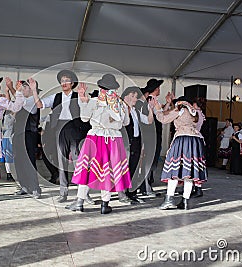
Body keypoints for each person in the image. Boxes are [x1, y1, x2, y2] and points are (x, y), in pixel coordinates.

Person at [65, 74, 131, 214]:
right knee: (108, 172)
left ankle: (79, 202)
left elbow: (84, 118)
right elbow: (126, 123)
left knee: (87, 170)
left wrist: (83, 101)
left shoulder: (94, 101)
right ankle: (104, 204)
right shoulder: (120, 104)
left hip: (95, 138)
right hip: (113, 139)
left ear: (101, 87)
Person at [35, 69, 91, 203]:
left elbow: (86, 109)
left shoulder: (78, 96)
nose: (64, 83)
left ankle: (83, 194)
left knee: (79, 162)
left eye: (67, 80)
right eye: (62, 81)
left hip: (75, 130)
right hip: (59, 130)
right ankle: (63, 192)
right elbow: (39, 105)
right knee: (61, 162)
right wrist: (33, 90)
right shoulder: (56, 97)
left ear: (72, 83)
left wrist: (83, 97)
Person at [154, 96, 207, 210]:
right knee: (189, 173)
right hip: (195, 141)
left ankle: (169, 200)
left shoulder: (181, 108)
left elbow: (163, 119)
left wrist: (158, 109)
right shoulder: (194, 111)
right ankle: (185, 201)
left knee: (174, 170)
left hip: (183, 139)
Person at [118, 86, 154, 204]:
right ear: (126, 96)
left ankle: (131, 193)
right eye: (133, 96)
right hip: (124, 143)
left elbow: (148, 121)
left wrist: (151, 109)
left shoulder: (136, 111)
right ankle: (121, 193)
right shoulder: (120, 109)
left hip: (136, 143)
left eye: (136, 97)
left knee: (133, 169)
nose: (135, 99)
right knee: (123, 169)